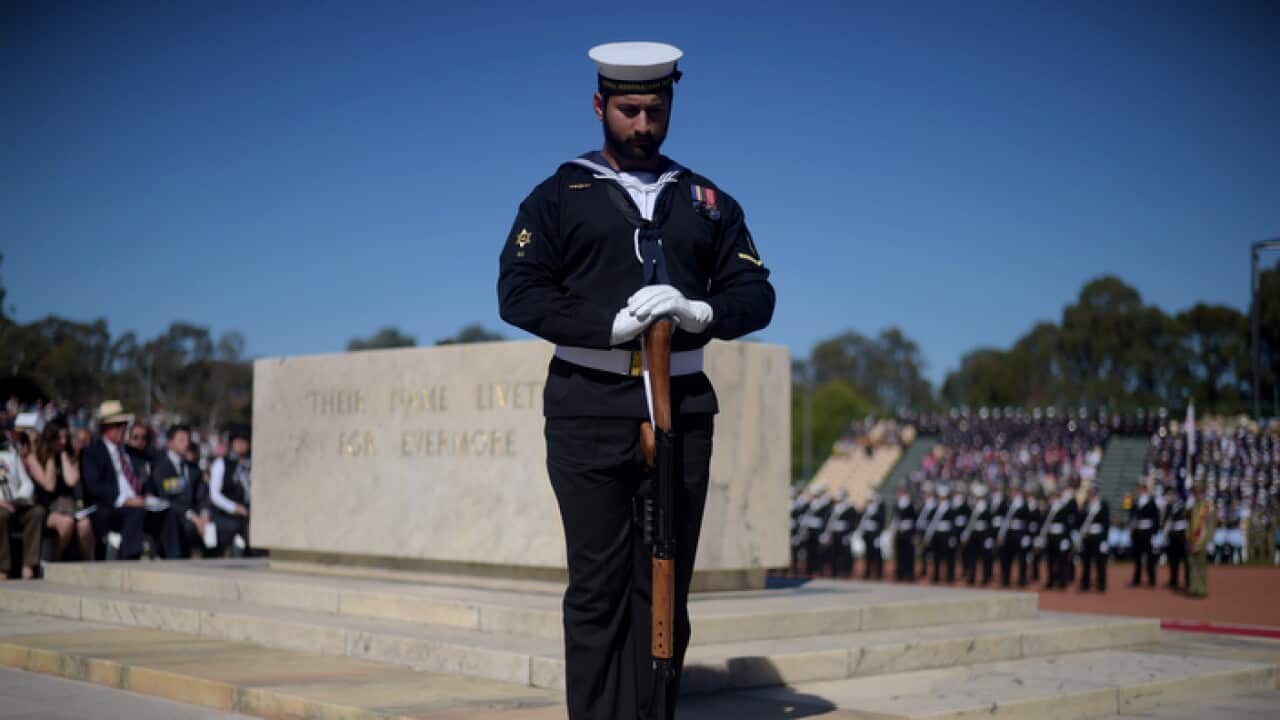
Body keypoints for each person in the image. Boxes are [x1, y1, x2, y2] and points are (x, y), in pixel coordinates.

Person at [496, 41, 775, 720]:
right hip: (587, 405)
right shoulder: (559, 195)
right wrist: (608, 325)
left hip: (680, 402)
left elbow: (756, 294)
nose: (643, 125)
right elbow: (518, 293)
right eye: (628, 110)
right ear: (600, 106)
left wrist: (698, 310)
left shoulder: (708, 202)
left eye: (655, 109)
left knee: (666, 583)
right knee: (596, 588)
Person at [80, 400, 182, 560]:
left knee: (166, 512)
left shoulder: (131, 452)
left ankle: (173, 559)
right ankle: (130, 560)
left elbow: (145, 478)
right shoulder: (92, 453)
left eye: (124, 424)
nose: (123, 429)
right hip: (110, 508)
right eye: (118, 425)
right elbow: (95, 486)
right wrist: (125, 500)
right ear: (106, 428)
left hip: (138, 504)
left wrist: (147, 495)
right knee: (135, 512)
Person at [28, 420, 95, 561]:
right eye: (58, 438)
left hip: (69, 507)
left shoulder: (69, 455)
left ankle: (87, 563)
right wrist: (51, 457)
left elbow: (71, 480)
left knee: (85, 525)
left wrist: (64, 455)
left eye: (65, 437)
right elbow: (49, 485)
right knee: (66, 523)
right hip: (46, 508)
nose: (63, 442)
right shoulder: (34, 458)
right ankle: (55, 560)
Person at [152, 425, 212, 557]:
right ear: (170, 443)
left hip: (196, 517)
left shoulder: (192, 469)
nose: (187, 443)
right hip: (175, 517)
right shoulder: (161, 468)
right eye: (181, 439)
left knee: (215, 529)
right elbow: (166, 500)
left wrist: (205, 514)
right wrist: (193, 516)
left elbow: (202, 495)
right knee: (187, 528)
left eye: (188, 439)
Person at [0, 429, 47, 579]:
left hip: (16, 504)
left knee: (37, 512)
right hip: (1, 508)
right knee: (1, 515)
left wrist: (18, 499)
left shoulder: (11, 454)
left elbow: (26, 482)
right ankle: (3, 568)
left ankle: (29, 566)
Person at [208, 429, 252, 556]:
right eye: (237, 442)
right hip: (226, 514)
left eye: (244, 441)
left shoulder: (252, 464)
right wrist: (234, 507)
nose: (240, 445)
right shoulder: (222, 463)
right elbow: (214, 494)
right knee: (237, 527)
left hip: (248, 511)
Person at [1077, 485, 1110, 592]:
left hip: (1098, 537)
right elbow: (1081, 520)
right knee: (1086, 561)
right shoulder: (1086, 505)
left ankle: (1101, 584)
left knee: (1100, 562)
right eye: (1090, 493)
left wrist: (1105, 540)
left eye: (1093, 493)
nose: (1092, 495)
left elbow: (1106, 524)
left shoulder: (1103, 505)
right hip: (1087, 536)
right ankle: (1085, 583)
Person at [1185, 480, 1214, 598]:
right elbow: (1188, 523)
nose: (1197, 494)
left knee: (1201, 566)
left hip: (1202, 541)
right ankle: (1193, 588)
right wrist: (1188, 538)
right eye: (1195, 492)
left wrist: (1208, 541)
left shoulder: (1208, 507)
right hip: (1192, 540)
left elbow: (1210, 525)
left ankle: (1202, 589)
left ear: (1203, 492)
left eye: (1199, 492)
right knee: (1192, 566)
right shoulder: (1192, 507)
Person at [1129, 479, 1159, 586]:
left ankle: (1152, 580)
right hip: (1138, 531)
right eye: (1139, 488)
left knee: (1149, 557)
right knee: (1137, 557)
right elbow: (1129, 512)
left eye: (1142, 488)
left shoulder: (1151, 502)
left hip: (1147, 532)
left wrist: (1154, 534)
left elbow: (1156, 519)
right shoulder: (1135, 501)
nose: (1140, 490)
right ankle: (1137, 579)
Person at [1161, 486, 1188, 589]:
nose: (1170, 496)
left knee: (1185, 560)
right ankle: (1173, 580)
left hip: (1182, 535)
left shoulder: (1182, 505)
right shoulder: (1168, 506)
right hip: (1172, 535)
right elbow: (1165, 521)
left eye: (1172, 494)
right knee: (1173, 560)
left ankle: (1187, 581)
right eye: (1169, 494)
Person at [892, 484, 917, 582]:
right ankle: (900, 572)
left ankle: (909, 573)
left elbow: (914, 519)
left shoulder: (910, 504)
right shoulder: (897, 504)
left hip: (908, 531)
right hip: (899, 531)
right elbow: (896, 519)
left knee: (909, 553)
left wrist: (914, 533)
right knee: (900, 553)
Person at [860, 491, 886, 580]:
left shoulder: (880, 509)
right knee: (868, 554)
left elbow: (881, 523)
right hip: (868, 534)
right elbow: (863, 521)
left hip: (875, 534)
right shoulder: (867, 509)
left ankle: (879, 572)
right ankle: (868, 571)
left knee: (877, 555)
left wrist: (879, 535)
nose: (870, 502)